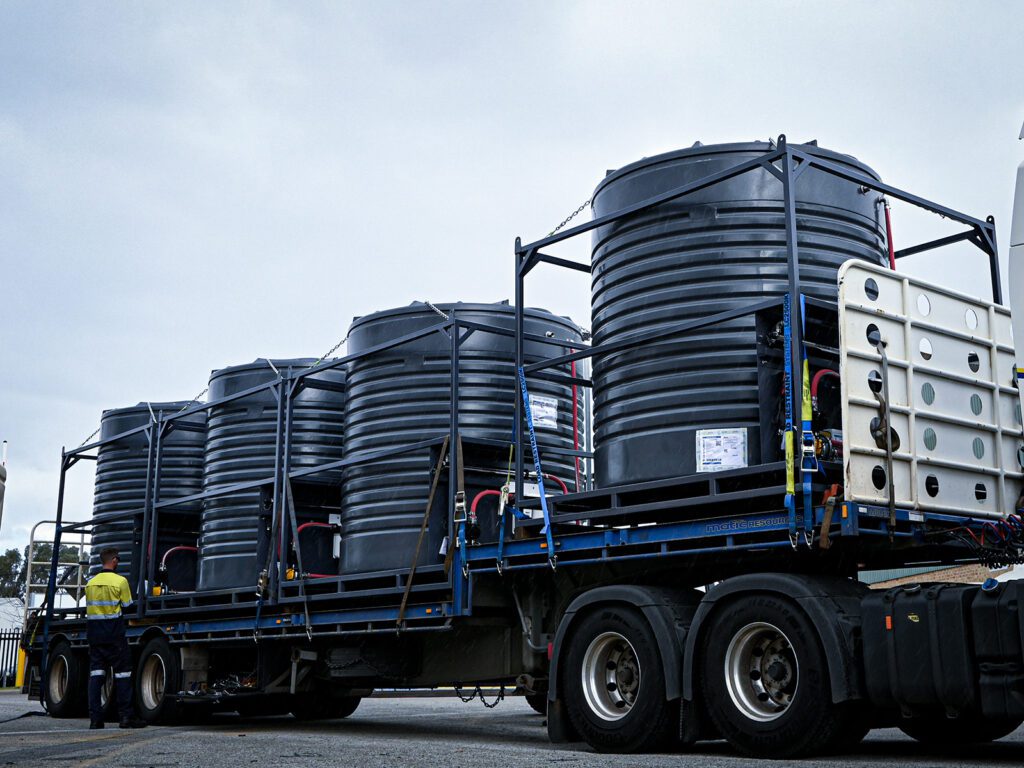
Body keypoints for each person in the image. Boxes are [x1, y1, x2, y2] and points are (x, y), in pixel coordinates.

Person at [85, 547, 146, 728]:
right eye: (117, 559)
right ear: (114, 561)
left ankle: (95, 720)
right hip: (114, 635)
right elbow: (127, 605)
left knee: (96, 676)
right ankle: (126, 717)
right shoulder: (120, 582)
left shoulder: (90, 583)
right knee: (122, 675)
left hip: (94, 635)